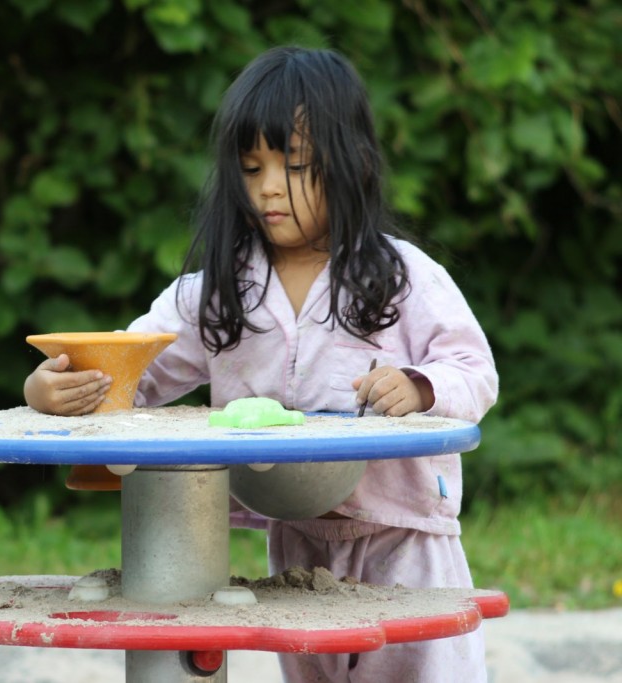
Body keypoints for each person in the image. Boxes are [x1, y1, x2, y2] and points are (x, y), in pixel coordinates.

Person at [24, 46, 497, 682]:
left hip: (404, 537)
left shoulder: (402, 276)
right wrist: (54, 387)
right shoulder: (218, 289)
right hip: (296, 545)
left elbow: (475, 370)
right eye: (251, 168)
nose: (269, 188)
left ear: (351, 163)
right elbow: (126, 374)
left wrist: (420, 384)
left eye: (295, 165)